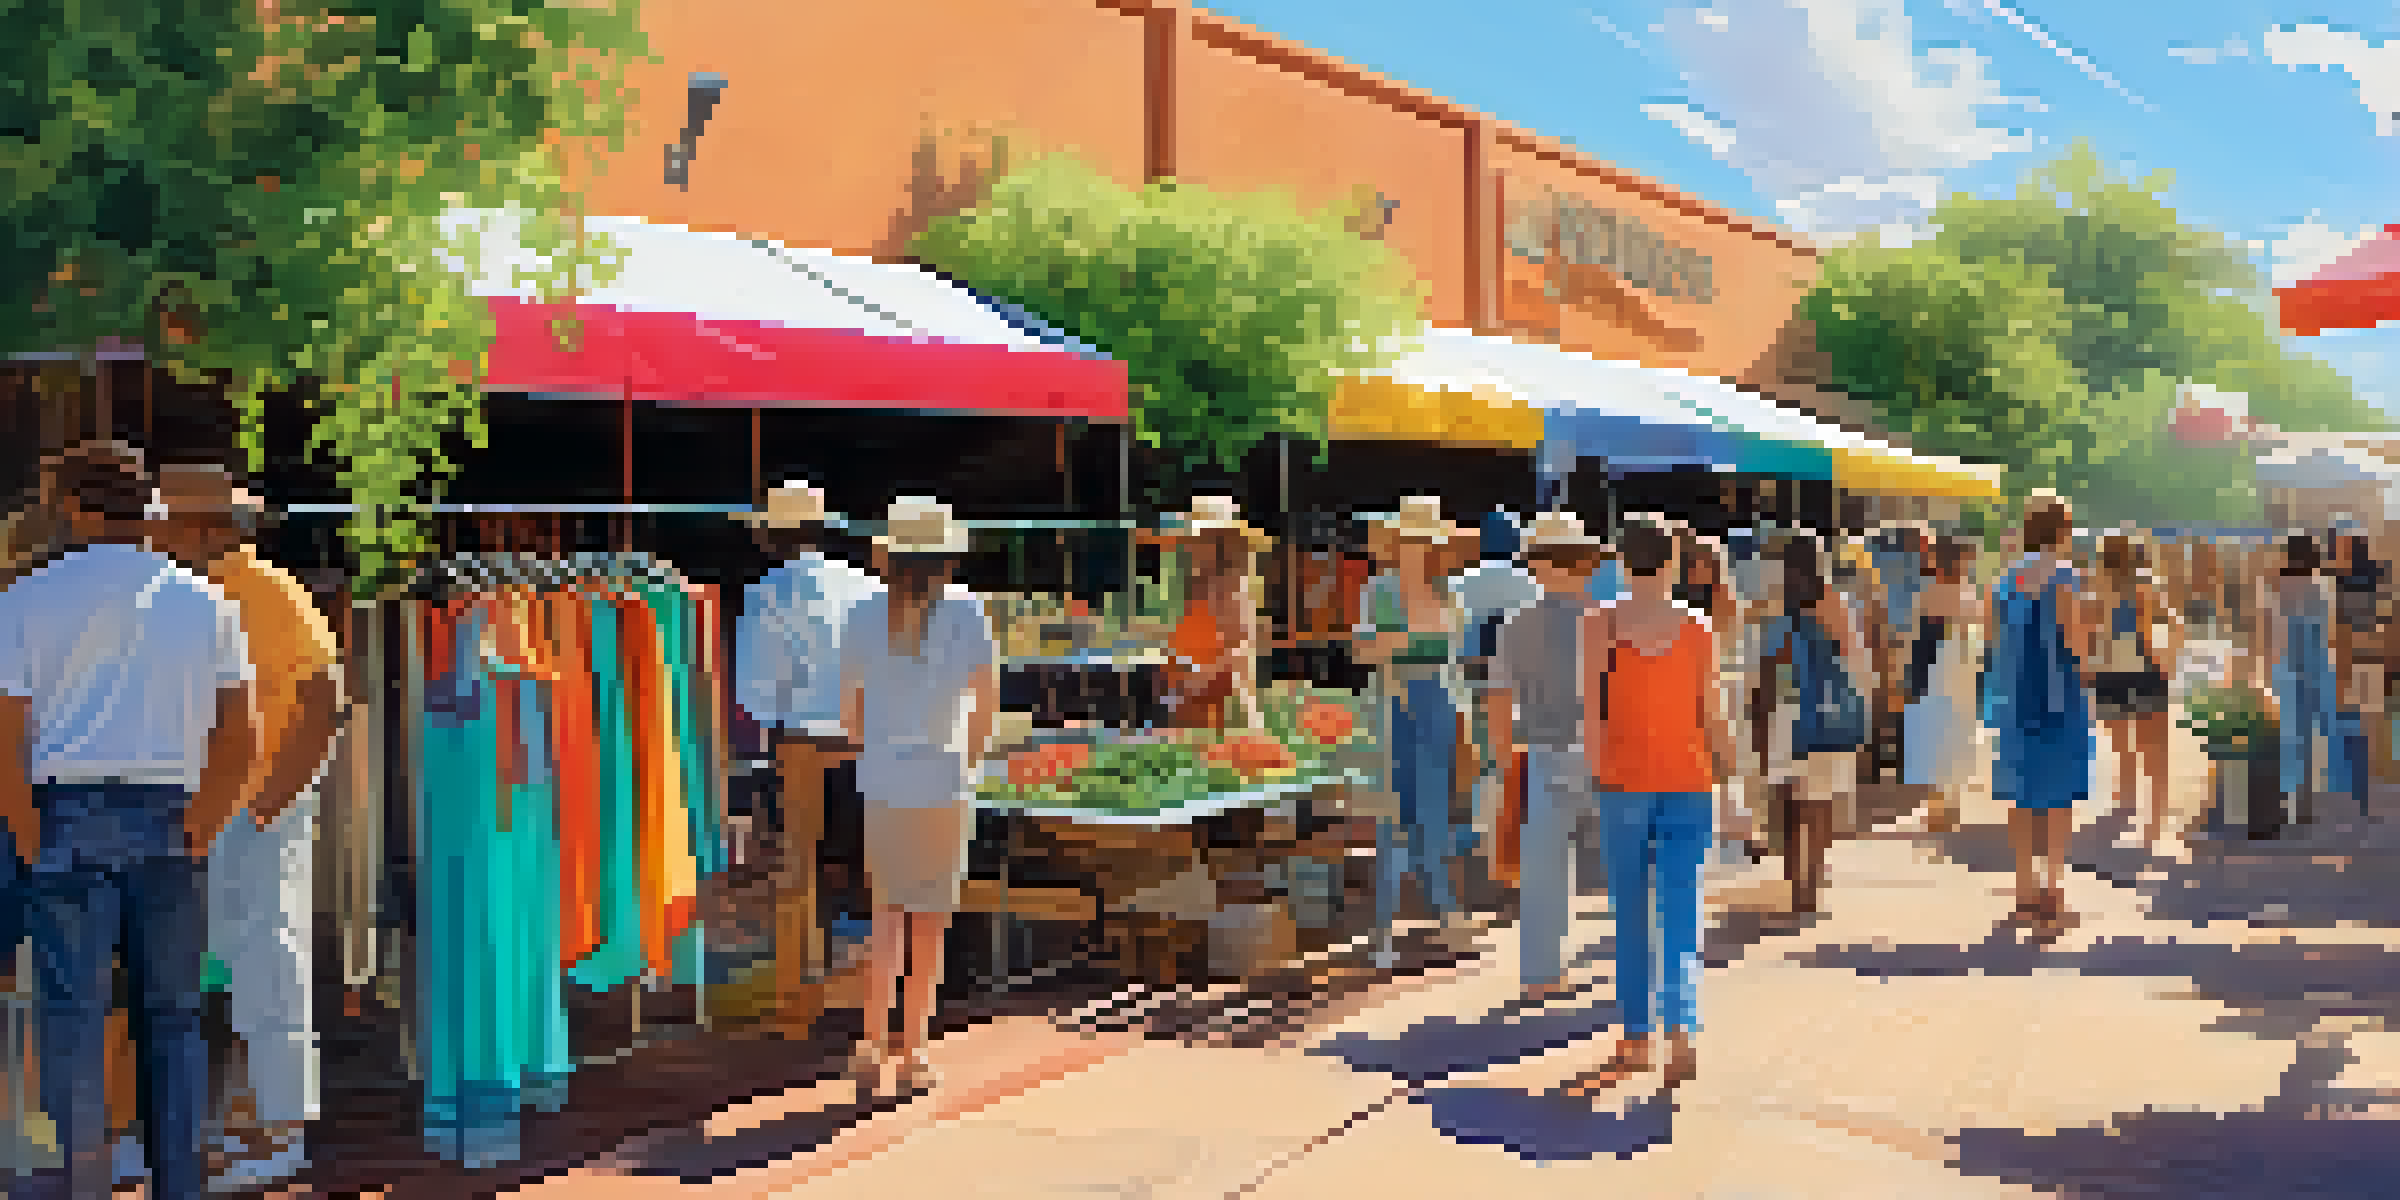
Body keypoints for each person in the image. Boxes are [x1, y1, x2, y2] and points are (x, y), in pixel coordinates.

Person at [0, 441, 257, 1199]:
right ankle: (179, 1186)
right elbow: (240, 732)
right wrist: (203, 825)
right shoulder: (206, 600)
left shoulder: (25, 600)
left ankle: (84, 1184)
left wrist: (27, 833)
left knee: (73, 1023)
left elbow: (7, 736)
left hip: (66, 815)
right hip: (169, 818)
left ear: (75, 507)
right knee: (172, 1020)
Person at [152, 465, 346, 1190]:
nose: (154, 534)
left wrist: (266, 807)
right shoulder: (226, 590)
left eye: (165, 522)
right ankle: (251, 1127)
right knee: (236, 968)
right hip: (229, 810)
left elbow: (324, 701)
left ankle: (280, 1132)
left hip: (249, 811)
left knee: (263, 964)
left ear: (203, 529)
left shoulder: (258, 593)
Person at [1554, 518, 1733, 1097]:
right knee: (1681, 910)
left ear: (1621, 563)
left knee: (1630, 911)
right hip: (1689, 777)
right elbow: (1712, 711)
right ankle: (1681, 1029)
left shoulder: (1598, 624)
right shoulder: (1698, 626)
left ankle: (1635, 1037)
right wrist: (1735, 771)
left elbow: (1589, 707)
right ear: (1674, 561)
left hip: (1623, 781)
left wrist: (1597, 773)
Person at [838, 498, 998, 1096]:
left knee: (885, 918)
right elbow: (986, 702)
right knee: (928, 924)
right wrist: (970, 761)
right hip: (942, 779)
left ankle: (870, 1042)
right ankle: (913, 1052)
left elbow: (852, 711)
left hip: (882, 781)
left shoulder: (861, 615)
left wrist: (870, 747)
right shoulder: (967, 612)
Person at [735, 481, 885, 1037]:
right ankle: (876, 999)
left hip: (802, 740)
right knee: (875, 870)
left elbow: (755, 689)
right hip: (868, 735)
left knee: (799, 870)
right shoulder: (865, 585)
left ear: (774, 537)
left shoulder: (767, 593)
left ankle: (799, 1004)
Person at [1355, 496, 1480, 963]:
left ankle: (1446, 917)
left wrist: (1393, 642)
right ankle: (1387, 933)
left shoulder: (1448, 591)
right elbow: (1363, 651)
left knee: (1431, 817)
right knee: (1390, 822)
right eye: (1408, 539)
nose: (1416, 547)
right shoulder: (1379, 588)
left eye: (1424, 540)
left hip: (1433, 703)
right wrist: (1402, 642)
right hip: (1393, 703)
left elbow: (1446, 650)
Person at [1488, 511, 1606, 1003]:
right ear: (1588, 565)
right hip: (1609, 753)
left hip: (1545, 752)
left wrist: (1500, 763)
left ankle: (1540, 975)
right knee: (1629, 866)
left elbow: (1498, 700)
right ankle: (1640, 972)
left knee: (1544, 872)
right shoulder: (1610, 620)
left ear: (1535, 567)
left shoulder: (1516, 625)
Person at [1983, 492, 2095, 935]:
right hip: (2058, 694)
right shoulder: (2066, 578)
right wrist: (2088, 680)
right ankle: (2054, 885)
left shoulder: (2006, 579)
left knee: (2021, 790)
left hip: (2015, 697)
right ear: (2062, 531)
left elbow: (1992, 640)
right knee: (2059, 791)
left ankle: (2024, 887)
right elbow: (2076, 641)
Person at [1758, 532, 1866, 918]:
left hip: (1785, 707)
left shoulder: (1775, 601)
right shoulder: (1834, 600)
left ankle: (1793, 875)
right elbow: (1852, 656)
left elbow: (1766, 660)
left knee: (1789, 797)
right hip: (1826, 710)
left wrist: (1760, 710)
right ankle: (1811, 880)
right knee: (1820, 800)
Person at [2086, 535, 2179, 849]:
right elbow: (2173, 625)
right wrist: (2169, 659)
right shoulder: (2146, 584)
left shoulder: (2098, 587)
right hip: (2144, 668)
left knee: (2123, 746)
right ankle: (2153, 827)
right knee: (2155, 753)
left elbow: (2092, 631)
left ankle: (2125, 803)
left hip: (2110, 669)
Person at [1159, 496, 1269, 732]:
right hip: (1189, 706)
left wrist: (1195, 679)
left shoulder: (1232, 587)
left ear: (1222, 543)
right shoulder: (1197, 585)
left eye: (1202, 539)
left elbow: (1238, 651)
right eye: (1193, 540)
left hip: (1224, 712)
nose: (1192, 546)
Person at [1904, 537, 1985, 837]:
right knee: (1956, 737)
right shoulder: (1967, 595)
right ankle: (1948, 807)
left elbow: (1915, 640)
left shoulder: (1927, 594)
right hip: (1959, 672)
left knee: (1935, 740)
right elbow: (1978, 636)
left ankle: (1940, 807)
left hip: (1934, 674)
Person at [2261, 532, 2340, 832]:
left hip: (2286, 667)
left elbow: (2271, 630)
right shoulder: (2322, 586)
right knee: (2307, 739)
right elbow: (2327, 631)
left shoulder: (2279, 586)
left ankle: (2285, 800)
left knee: (2287, 735)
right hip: (2316, 666)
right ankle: (2303, 804)